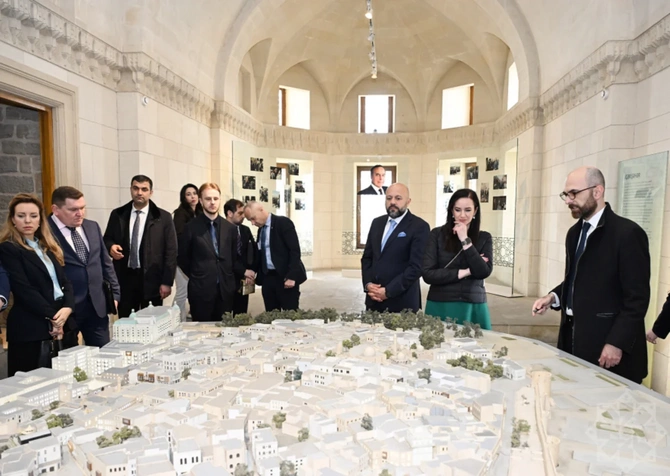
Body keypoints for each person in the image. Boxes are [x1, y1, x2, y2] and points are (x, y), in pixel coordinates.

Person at [532, 166, 650, 384]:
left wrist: (617, 342)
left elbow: (637, 299)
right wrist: (553, 297)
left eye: (574, 193)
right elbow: (579, 279)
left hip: (608, 349)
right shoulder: (574, 233)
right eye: (566, 194)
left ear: (597, 191)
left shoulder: (627, 234)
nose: (568, 201)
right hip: (573, 342)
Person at [0, 193, 77, 376]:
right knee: (32, 384)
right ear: (13, 220)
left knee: (66, 381)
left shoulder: (46, 246)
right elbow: (24, 289)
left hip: (63, 322)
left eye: (33, 216)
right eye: (21, 216)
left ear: (40, 220)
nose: (28, 220)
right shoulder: (8, 249)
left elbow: (65, 282)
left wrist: (68, 308)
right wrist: (54, 317)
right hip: (30, 327)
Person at [49, 186, 120, 347]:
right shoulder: (44, 232)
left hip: (96, 307)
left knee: (103, 354)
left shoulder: (92, 226)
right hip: (64, 310)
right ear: (56, 210)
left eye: (82, 208)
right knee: (69, 357)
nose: (80, 213)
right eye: (73, 209)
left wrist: (115, 295)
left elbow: (105, 263)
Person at [104, 175, 177, 318]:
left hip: (152, 279)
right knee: (126, 323)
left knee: (151, 323)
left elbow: (171, 251)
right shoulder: (118, 214)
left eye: (144, 189)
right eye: (136, 188)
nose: (139, 193)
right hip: (125, 278)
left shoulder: (163, 217)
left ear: (151, 192)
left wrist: (167, 282)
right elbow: (107, 239)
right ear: (130, 189)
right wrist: (110, 247)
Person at [422, 188, 493, 328]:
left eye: (468, 210)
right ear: (451, 211)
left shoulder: (484, 238)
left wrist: (465, 240)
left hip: (472, 303)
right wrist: (466, 271)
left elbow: (483, 272)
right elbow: (428, 274)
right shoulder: (436, 234)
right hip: (440, 302)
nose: (462, 215)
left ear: (475, 211)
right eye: (457, 210)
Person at [361, 183, 430, 312]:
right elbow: (367, 258)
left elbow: (416, 267)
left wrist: (388, 291)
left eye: (398, 198)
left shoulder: (419, 227)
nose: (392, 202)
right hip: (373, 301)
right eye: (389, 198)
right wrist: (368, 284)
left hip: (402, 303)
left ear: (408, 201)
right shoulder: (377, 223)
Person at [178, 183, 241, 321]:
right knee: (201, 330)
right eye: (208, 199)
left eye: (215, 198)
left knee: (225, 330)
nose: (212, 202)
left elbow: (233, 257)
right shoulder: (190, 227)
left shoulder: (230, 228)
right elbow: (183, 258)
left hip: (225, 291)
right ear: (201, 201)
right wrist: (198, 273)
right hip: (200, 290)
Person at [244, 201, 307, 311]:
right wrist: (253, 270)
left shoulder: (283, 223)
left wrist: (292, 276)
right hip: (268, 278)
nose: (253, 223)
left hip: (285, 277)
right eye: (250, 220)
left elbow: (294, 251)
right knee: (271, 314)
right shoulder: (261, 230)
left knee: (290, 314)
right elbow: (260, 254)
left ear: (261, 210)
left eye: (253, 218)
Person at [172, 183, 202, 320]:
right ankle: (176, 320)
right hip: (181, 260)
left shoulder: (200, 213)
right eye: (188, 194)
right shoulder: (180, 214)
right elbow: (179, 238)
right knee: (182, 291)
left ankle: (187, 317)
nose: (192, 197)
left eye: (194, 193)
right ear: (184, 197)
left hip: (196, 259)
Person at [224, 198, 257, 314]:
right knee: (225, 315)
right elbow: (226, 257)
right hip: (227, 279)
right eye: (240, 213)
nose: (243, 216)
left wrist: (251, 271)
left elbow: (253, 251)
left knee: (241, 315)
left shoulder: (245, 230)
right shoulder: (221, 230)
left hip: (244, 281)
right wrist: (243, 271)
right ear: (229, 213)